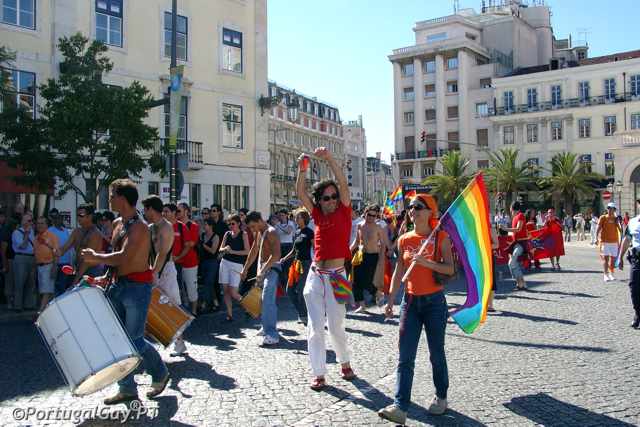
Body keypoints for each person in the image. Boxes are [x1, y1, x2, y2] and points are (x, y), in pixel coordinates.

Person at [81, 179, 169, 405]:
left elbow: (124, 256)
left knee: (134, 341)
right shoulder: (117, 223)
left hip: (137, 288)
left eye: (112, 195)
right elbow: (117, 257)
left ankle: (160, 373)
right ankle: (127, 388)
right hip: (117, 285)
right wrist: (103, 277)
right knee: (117, 341)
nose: (109, 199)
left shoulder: (139, 227)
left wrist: (95, 257)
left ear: (122, 198)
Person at [378, 194, 454, 424]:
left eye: (419, 207)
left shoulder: (440, 237)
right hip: (410, 303)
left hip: (434, 303)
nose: (413, 211)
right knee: (405, 357)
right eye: (411, 207)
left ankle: (441, 397)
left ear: (430, 211)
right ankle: (400, 407)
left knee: (436, 354)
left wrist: (426, 262)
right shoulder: (404, 239)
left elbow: (450, 269)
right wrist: (391, 300)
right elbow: (399, 271)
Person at [295, 147, 356, 391]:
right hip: (315, 276)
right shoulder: (317, 215)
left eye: (333, 196)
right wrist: (302, 169)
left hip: (338, 277)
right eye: (326, 198)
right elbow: (300, 192)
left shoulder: (344, 210)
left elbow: (342, 183)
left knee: (336, 324)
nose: (331, 200)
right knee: (315, 327)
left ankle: (345, 362)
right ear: (319, 201)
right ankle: (319, 373)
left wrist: (329, 158)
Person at [143, 195, 187, 356]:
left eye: (145, 209)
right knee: (152, 308)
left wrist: (153, 274)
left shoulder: (166, 227)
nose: (144, 213)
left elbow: (162, 254)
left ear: (151, 209)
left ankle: (179, 343)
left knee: (171, 307)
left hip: (165, 270)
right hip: (153, 269)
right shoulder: (150, 228)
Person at [240, 212, 282, 346]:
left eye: (253, 226)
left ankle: (272, 334)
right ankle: (266, 327)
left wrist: (263, 270)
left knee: (267, 299)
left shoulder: (271, 232)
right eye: (250, 228)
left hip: (272, 268)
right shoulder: (259, 232)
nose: (252, 230)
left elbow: (276, 255)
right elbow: (254, 251)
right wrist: (245, 269)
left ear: (259, 220)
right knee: (263, 299)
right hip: (263, 269)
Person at [351, 204, 392, 312]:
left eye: (374, 216)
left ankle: (378, 293)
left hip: (374, 256)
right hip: (360, 256)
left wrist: (383, 257)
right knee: (356, 281)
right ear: (365, 213)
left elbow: (383, 243)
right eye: (369, 215)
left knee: (369, 281)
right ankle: (362, 305)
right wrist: (347, 251)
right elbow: (356, 242)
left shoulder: (378, 227)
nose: (371, 217)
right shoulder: (359, 225)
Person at [280, 208, 313, 325]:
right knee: (289, 290)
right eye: (295, 217)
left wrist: (316, 263)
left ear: (304, 219)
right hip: (295, 264)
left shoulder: (309, 232)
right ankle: (302, 312)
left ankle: (305, 315)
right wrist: (284, 259)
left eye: (298, 217)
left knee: (301, 290)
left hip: (306, 264)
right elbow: (294, 250)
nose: (295, 219)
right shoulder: (297, 232)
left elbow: (315, 248)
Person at [58, 204, 104, 284]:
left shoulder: (95, 234)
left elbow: (87, 260)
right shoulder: (76, 232)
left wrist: (76, 280)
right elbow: (63, 249)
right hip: (79, 269)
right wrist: (52, 250)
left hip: (92, 272)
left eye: (81, 215)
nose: (78, 218)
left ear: (90, 216)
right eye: (77, 215)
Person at [218, 214, 250, 321]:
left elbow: (247, 251)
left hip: (237, 265)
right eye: (229, 224)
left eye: (233, 223)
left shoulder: (243, 234)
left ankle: (248, 306)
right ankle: (229, 315)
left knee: (233, 292)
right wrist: (225, 249)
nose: (231, 226)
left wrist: (232, 251)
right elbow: (220, 249)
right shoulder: (227, 234)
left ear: (238, 223)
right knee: (226, 291)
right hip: (225, 263)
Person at [617, 199, 640, 329]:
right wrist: (620, 257)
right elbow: (626, 239)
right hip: (637, 259)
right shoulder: (632, 222)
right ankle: (638, 313)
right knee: (633, 287)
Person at [175, 202, 200, 315]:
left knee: (191, 288)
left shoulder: (193, 225)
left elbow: (191, 244)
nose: (176, 213)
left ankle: (194, 311)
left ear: (186, 212)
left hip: (190, 262)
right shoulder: (174, 224)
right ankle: (183, 312)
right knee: (179, 289)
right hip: (176, 262)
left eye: (179, 211)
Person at [499, 201, 527, 290]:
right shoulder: (514, 218)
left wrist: (505, 228)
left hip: (521, 243)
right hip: (516, 243)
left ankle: (521, 283)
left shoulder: (520, 215)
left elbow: (518, 229)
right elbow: (514, 233)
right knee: (511, 263)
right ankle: (521, 283)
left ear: (512, 208)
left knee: (512, 262)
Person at [11, 213, 36, 312]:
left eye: (31, 220)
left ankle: (28, 304)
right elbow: (22, 246)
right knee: (19, 282)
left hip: (31, 258)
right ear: (23, 221)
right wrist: (26, 235)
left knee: (30, 282)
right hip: (21, 258)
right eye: (29, 221)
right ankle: (18, 305)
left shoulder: (32, 232)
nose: (31, 222)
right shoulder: (16, 233)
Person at [34, 216, 58, 314]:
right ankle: (51, 311)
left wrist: (54, 267)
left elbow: (56, 252)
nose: (39, 225)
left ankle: (41, 311)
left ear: (47, 225)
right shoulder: (36, 237)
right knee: (46, 290)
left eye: (42, 223)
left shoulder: (52, 236)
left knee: (46, 291)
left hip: (49, 265)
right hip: (39, 266)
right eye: (38, 223)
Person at [47, 209, 74, 296]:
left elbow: (70, 246)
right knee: (55, 285)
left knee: (63, 284)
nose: (57, 220)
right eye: (55, 218)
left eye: (59, 218)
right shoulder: (50, 230)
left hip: (66, 262)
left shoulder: (66, 231)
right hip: (55, 263)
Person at [597, 203, 623, 282]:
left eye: (612, 208)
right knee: (606, 259)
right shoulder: (603, 217)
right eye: (609, 208)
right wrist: (596, 238)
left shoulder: (616, 219)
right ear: (607, 209)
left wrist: (620, 222)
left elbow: (620, 230)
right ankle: (605, 274)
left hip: (614, 242)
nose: (610, 210)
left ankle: (611, 274)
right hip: (605, 241)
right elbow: (598, 228)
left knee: (613, 259)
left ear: (614, 210)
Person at [199, 219, 220, 314]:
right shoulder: (202, 235)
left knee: (208, 282)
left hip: (212, 262)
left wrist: (203, 245)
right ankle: (216, 303)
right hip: (203, 262)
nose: (204, 226)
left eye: (206, 224)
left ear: (211, 226)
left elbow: (213, 251)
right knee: (208, 284)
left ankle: (204, 304)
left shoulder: (216, 237)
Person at [210, 204, 228, 308]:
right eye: (211, 210)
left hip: (220, 255)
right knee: (213, 279)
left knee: (217, 279)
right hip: (210, 254)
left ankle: (219, 300)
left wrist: (222, 254)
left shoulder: (223, 225)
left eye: (214, 210)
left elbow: (227, 241)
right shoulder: (210, 224)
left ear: (219, 212)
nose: (212, 212)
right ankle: (215, 300)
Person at [275, 209, 295, 287]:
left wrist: (278, 226)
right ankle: (282, 284)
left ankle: (289, 283)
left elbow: (288, 232)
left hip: (288, 246)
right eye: (280, 215)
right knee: (280, 265)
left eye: (283, 215)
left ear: (286, 215)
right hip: (280, 246)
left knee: (288, 265)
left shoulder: (290, 223)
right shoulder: (277, 224)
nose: (281, 217)